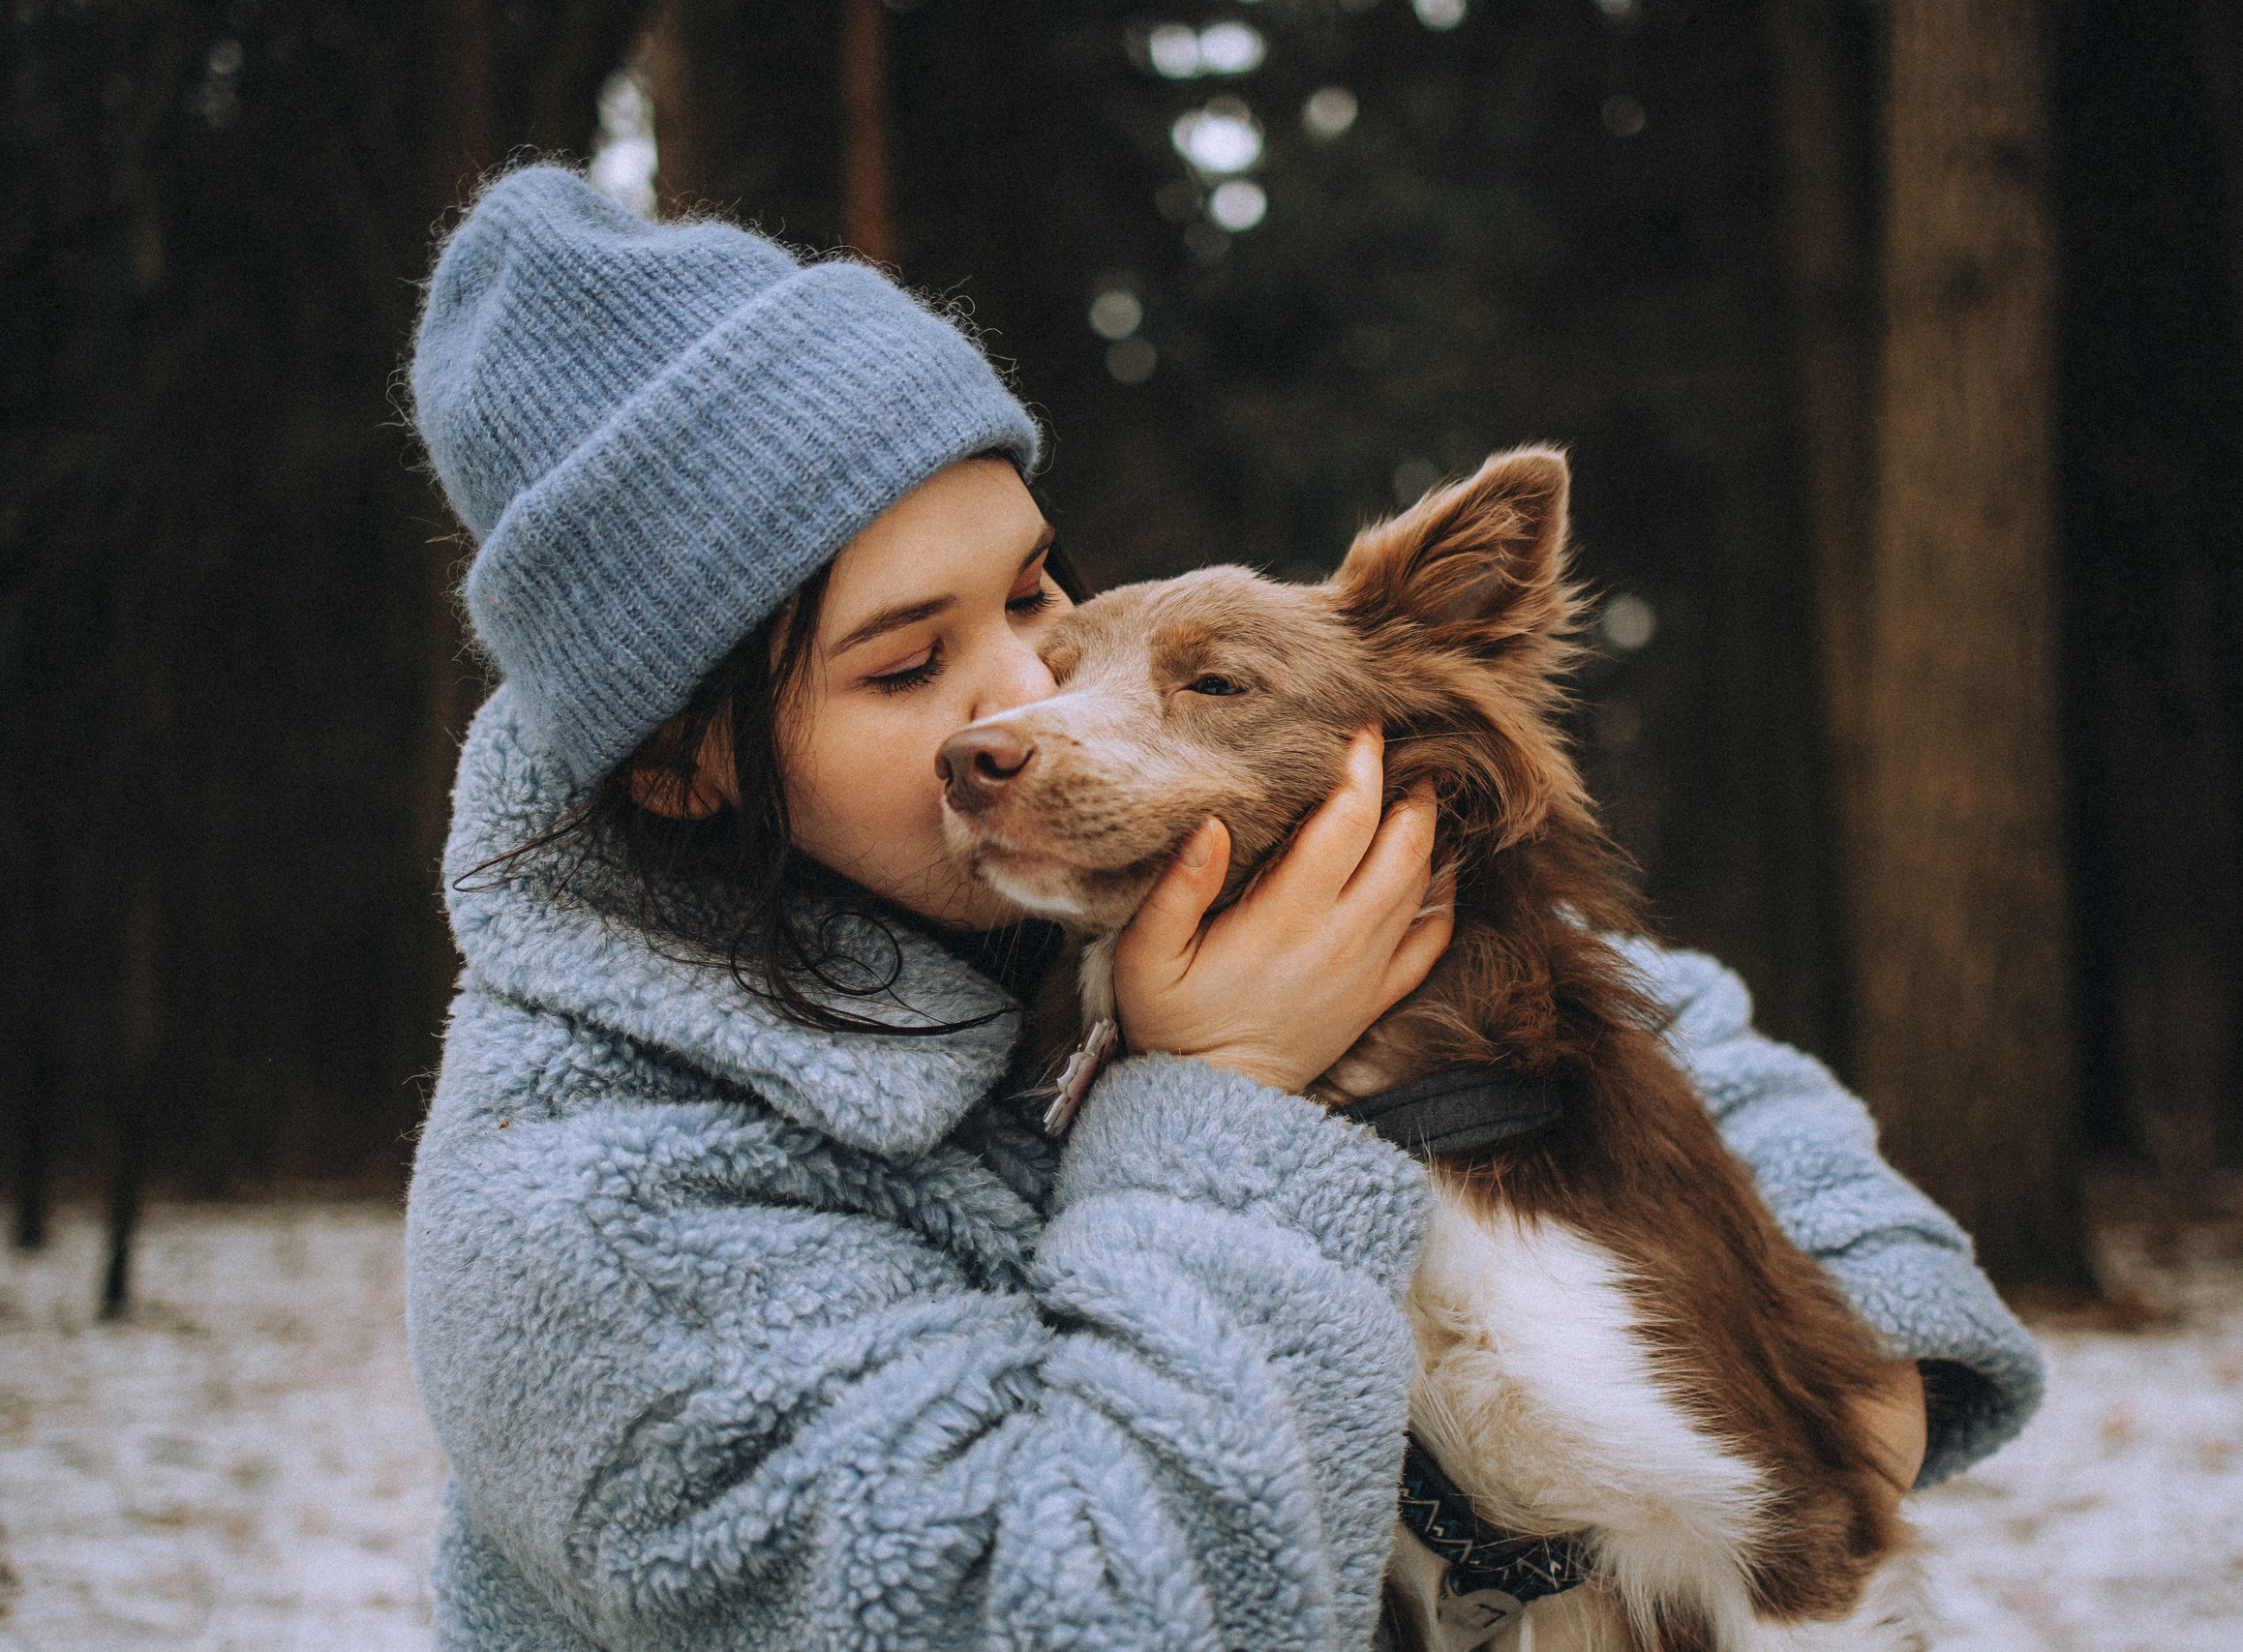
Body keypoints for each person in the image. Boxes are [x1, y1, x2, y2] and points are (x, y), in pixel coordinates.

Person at [402, 165, 2042, 1652]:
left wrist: (1867, 1349)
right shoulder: (581, 1233)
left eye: (1038, 589)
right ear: (684, 771)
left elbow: (1638, 1020)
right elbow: (1080, 1617)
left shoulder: (1010, 883)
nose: (1023, 692)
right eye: (908, 663)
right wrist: (1215, 1105)